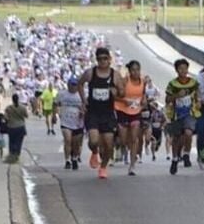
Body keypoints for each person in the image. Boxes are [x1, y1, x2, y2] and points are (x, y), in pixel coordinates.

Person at [78, 47, 124, 179]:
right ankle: (94, 151)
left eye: (105, 58)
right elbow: (80, 84)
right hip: (93, 112)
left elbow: (122, 92)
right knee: (94, 140)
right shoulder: (90, 73)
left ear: (109, 60)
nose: (103, 61)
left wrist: (117, 93)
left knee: (109, 144)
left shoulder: (115, 75)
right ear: (96, 60)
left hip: (108, 113)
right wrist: (83, 100)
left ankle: (103, 167)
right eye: (100, 59)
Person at [165, 58, 201, 175]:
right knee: (176, 138)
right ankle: (175, 159)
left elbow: (198, 93)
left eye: (185, 68)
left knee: (188, 133)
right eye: (180, 69)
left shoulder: (193, 83)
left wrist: (199, 101)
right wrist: (176, 95)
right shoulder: (172, 84)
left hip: (189, 113)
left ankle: (186, 154)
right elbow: (167, 99)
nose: (183, 71)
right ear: (176, 70)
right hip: (176, 115)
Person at [115, 60, 147, 176]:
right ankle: (123, 148)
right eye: (133, 70)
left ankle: (132, 165)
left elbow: (143, 95)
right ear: (129, 71)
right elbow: (115, 96)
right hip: (122, 110)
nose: (136, 72)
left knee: (134, 138)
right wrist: (125, 100)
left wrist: (144, 100)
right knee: (124, 140)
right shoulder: (124, 81)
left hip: (136, 112)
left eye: (137, 70)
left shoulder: (143, 82)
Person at [56, 77, 85, 170]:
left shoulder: (81, 95)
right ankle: (67, 160)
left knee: (76, 143)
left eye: (75, 85)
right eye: (72, 85)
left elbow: (86, 106)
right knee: (68, 140)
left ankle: (75, 158)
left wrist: (83, 112)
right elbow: (56, 104)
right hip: (65, 121)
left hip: (78, 123)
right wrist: (54, 115)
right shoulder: (62, 94)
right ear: (68, 85)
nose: (73, 87)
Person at [4, 94, 29, 163]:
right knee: (19, 142)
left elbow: (5, 117)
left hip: (11, 127)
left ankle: (12, 154)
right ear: (18, 99)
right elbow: (26, 116)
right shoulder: (22, 107)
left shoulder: (8, 108)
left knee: (11, 141)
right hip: (20, 127)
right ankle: (17, 155)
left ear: (12, 99)